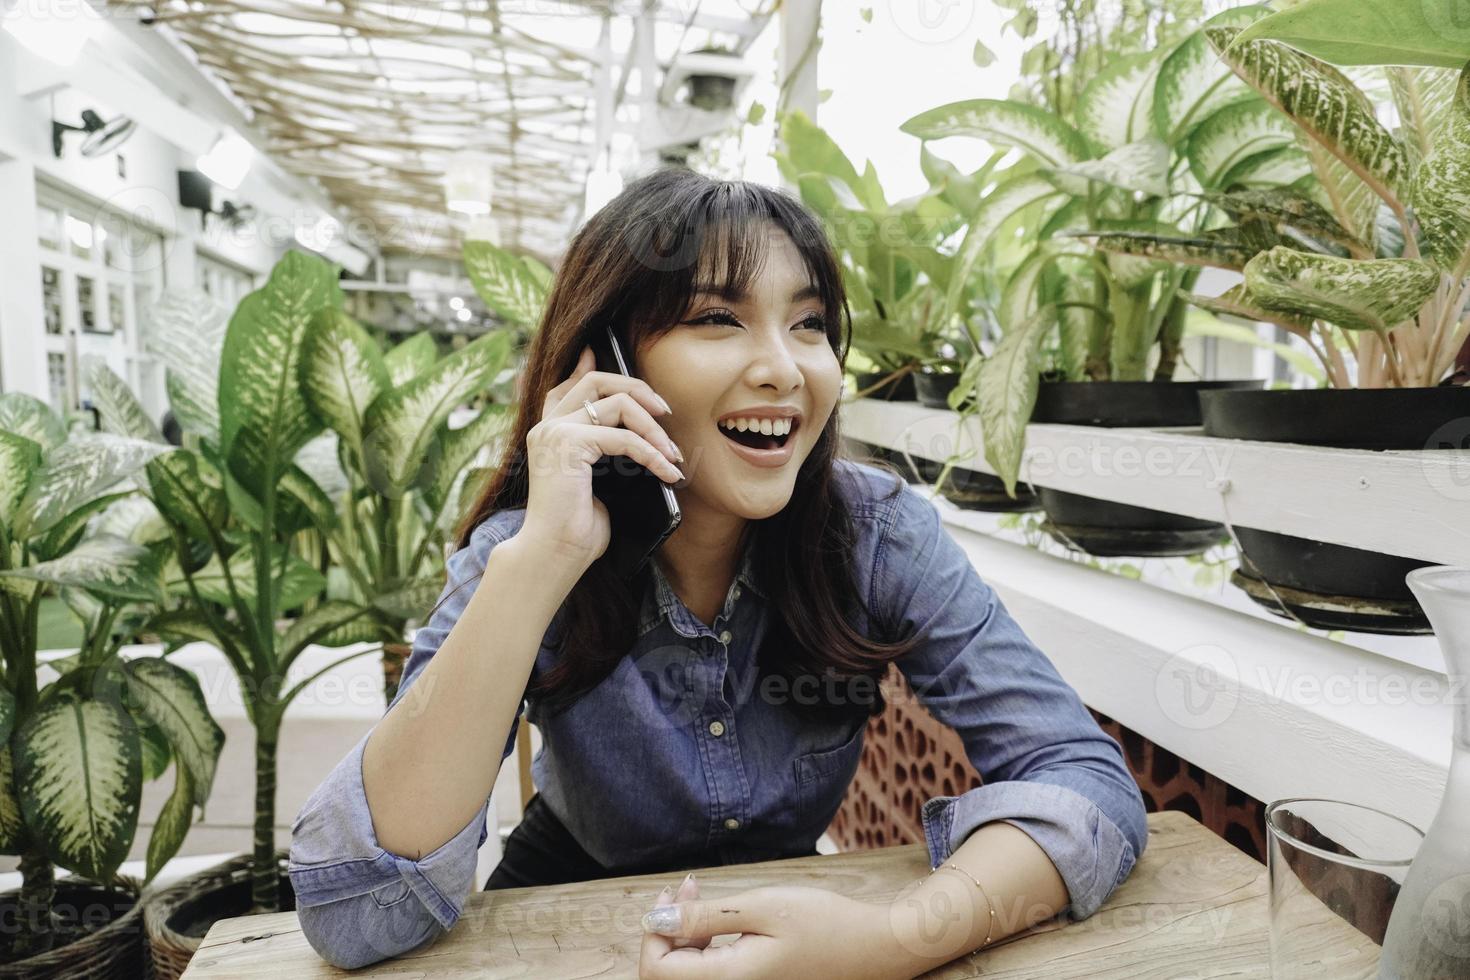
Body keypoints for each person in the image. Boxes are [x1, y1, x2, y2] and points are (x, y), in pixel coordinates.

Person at [287, 168, 1147, 976]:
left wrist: (889, 941)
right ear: (608, 365)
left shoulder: (877, 534)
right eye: (715, 319)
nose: (784, 367)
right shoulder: (528, 547)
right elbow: (358, 909)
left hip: (800, 911)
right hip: (566, 897)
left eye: (808, 324)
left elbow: (1087, 784)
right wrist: (543, 561)